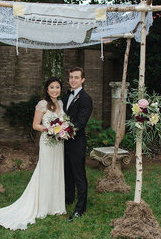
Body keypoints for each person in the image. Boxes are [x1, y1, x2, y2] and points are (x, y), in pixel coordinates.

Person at [0, 77, 66, 230]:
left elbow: (62, 122)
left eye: (57, 87)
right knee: (45, 171)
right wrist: (50, 130)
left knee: (56, 171)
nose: (55, 90)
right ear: (47, 89)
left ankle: (55, 205)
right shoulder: (42, 104)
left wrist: (63, 130)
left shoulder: (61, 103)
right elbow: (35, 125)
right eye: (52, 87)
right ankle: (43, 205)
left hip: (59, 143)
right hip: (47, 142)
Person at [62, 67, 93, 221]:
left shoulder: (86, 98)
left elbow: (81, 122)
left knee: (79, 175)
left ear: (83, 80)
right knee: (67, 172)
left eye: (76, 77)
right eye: (71, 77)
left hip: (76, 143)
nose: (73, 80)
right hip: (63, 143)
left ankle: (80, 208)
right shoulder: (66, 95)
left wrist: (63, 131)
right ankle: (68, 199)